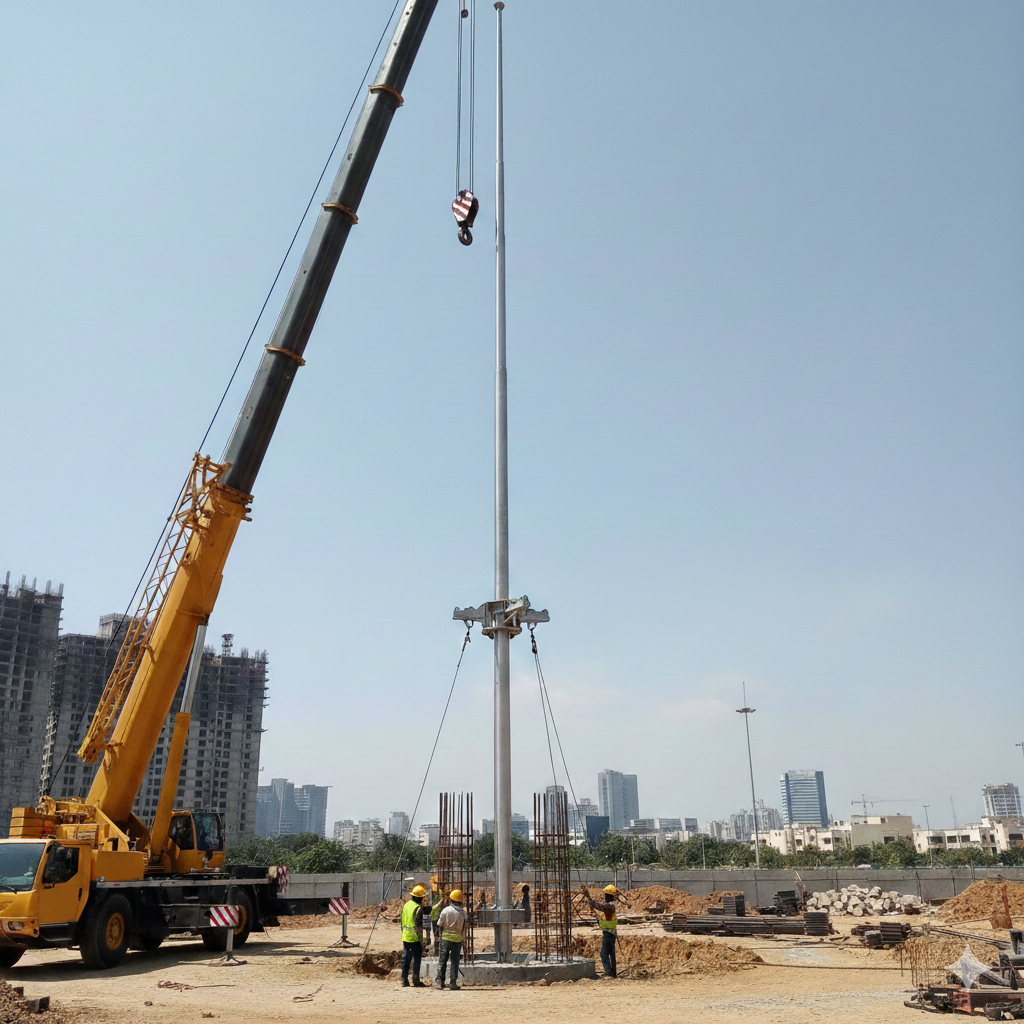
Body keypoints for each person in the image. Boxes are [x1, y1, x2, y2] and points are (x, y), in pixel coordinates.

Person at [435, 888, 468, 991]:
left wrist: (438, 936)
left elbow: (439, 925)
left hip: (445, 938)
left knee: (442, 961)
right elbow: (464, 927)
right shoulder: (463, 912)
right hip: (457, 939)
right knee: (454, 962)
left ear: (451, 899)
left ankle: (440, 982)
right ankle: (453, 983)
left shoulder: (446, 910)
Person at [585, 885, 621, 978]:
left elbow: (599, 907)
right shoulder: (610, 906)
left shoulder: (610, 906)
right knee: (611, 954)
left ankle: (609, 972)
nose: (605, 897)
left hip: (609, 933)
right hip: (610, 932)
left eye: (606, 895)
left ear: (609, 896)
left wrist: (589, 898)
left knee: (604, 954)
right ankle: (613, 973)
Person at [400, 884, 428, 988]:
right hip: (414, 938)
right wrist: (421, 941)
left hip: (405, 935)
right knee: (417, 958)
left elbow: (402, 920)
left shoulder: (407, 905)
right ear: (420, 898)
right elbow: (418, 927)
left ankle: (404, 979)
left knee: (406, 958)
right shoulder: (418, 909)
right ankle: (416, 980)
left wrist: (403, 931)